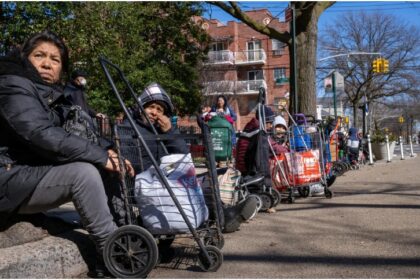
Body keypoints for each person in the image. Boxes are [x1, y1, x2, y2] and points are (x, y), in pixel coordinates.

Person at [0, 30, 133, 277]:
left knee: (103, 163)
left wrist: (110, 153)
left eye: (55, 59)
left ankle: (129, 230)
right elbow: (39, 132)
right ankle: (111, 252)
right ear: (25, 58)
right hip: (6, 175)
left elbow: (78, 134)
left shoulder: (53, 96)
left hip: (23, 174)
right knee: (83, 173)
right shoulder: (12, 85)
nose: (47, 63)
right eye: (39, 55)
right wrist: (100, 157)